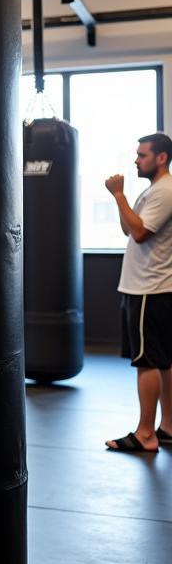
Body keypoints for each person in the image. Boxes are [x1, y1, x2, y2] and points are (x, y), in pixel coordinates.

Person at [105, 132, 172, 453]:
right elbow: (128, 227)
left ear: (161, 158)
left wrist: (118, 195)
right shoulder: (154, 191)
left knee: (147, 361)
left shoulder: (165, 192)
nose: (136, 160)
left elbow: (141, 233)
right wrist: (123, 200)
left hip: (149, 287)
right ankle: (168, 427)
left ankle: (146, 434)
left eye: (142, 155)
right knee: (163, 361)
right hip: (148, 286)